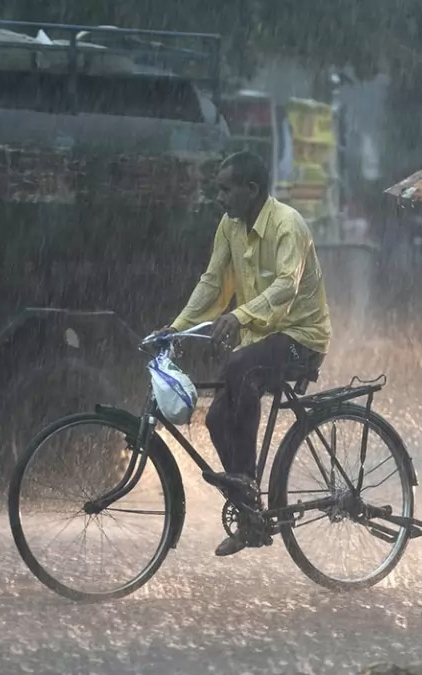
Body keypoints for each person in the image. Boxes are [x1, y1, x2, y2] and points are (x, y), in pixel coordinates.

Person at [166, 151, 332, 557]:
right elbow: (213, 283)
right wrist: (176, 328)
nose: (219, 197)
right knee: (218, 416)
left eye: (226, 189)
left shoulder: (287, 225)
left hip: (301, 336)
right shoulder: (230, 225)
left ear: (251, 189)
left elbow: (285, 288)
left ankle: (247, 482)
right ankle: (250, 513)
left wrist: (239, 316)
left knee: (240, 365)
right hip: (262, 339)